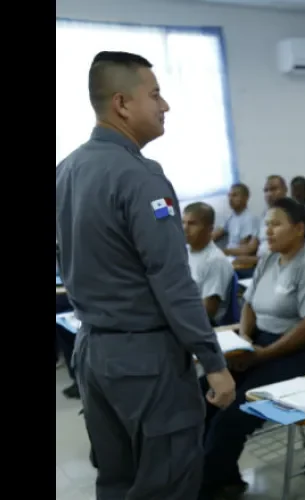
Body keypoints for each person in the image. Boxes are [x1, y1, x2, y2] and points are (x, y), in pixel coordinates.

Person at [55, 51, 235, 499]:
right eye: (154, 94)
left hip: (94, 353)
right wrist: (214, 363)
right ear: (122, 104)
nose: (165, 106)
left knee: (116, 480)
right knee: (167, 483)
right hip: (146, 360)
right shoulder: (140, 177)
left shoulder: (66, 171)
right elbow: (172, 281)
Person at [200, 197, 305, 499]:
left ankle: (206, 486)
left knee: (234, 412)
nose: (268, 231)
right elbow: (249, 303)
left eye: (276, 224)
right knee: (205, 394)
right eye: (267, 224)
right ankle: (223, 476)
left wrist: (262, 355)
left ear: (300, 228)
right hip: (261, 345)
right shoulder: (269, 259)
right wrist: (245, 340)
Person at [183, 202, 235, 325]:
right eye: (183, 222)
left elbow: (207, 312)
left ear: (210, 229)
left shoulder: (215, 261)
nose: (185, 228)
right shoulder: (184, 251)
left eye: (192, 223)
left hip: (201, 326)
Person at [231, 175, 288, 268]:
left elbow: (283, 256)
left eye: (273, 189)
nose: (269, 194)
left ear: (285, 190)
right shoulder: (264, 215)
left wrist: (252, 260)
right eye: (266, 190)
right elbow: (251, 247)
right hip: (260, 264)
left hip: (276, 267)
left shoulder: (291, 215)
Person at [213, 183, 261, 255]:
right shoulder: (230, 217)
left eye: (235, 195)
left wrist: (223, 252)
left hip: (238, 257)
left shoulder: (250, 218)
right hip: (228, 254)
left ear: (246, 198)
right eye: (229, 195)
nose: (230, 199)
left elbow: (246, 248)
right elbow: (216, 233)